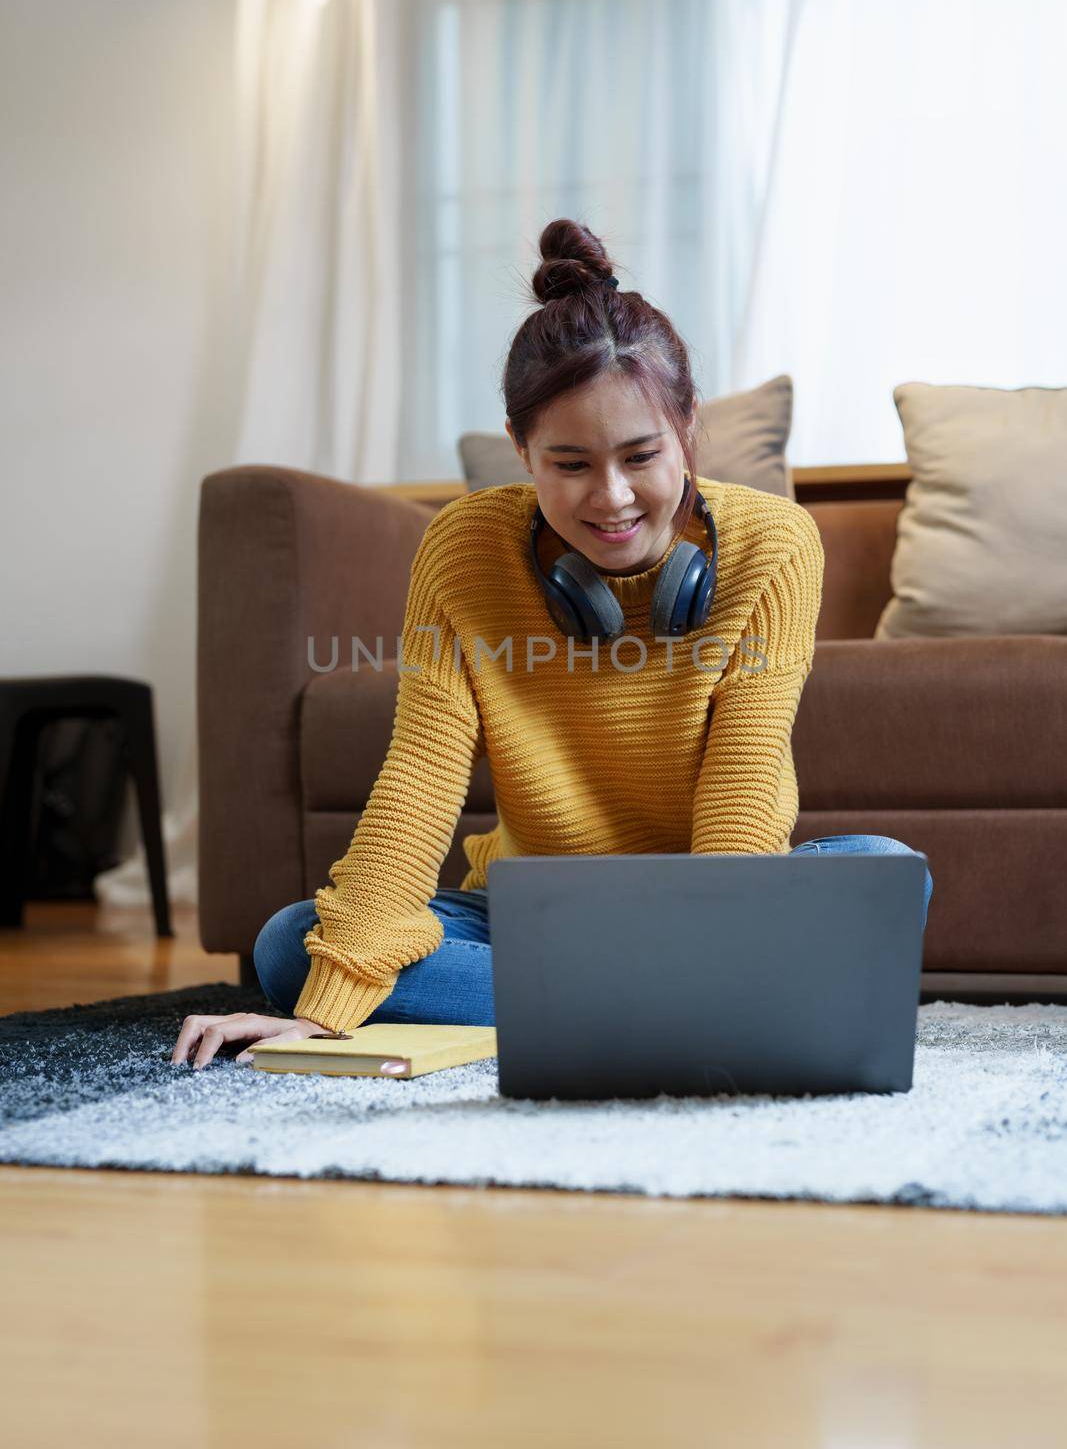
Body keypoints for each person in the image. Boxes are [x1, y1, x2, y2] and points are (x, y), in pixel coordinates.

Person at [171, 218, 933, 1072]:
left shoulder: (773, 544)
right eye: (568, 464)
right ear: (521, 447)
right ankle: (685, 1008)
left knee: (881, 870)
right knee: (293, 946)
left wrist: (723, 937)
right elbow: (421, 768)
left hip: (706, 897)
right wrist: (327, 1008)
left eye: (640, 454)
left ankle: (611, 1001)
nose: (610, 499)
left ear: (686, 425)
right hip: (531, 909)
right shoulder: (463, 549)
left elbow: (747, 778)